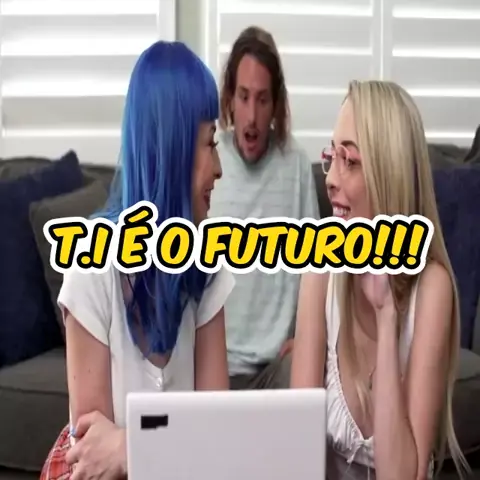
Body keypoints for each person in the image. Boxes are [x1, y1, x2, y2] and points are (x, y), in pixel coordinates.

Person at [40, 41, 234, 480]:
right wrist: (172, 447)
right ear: (173, 150)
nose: (219, 167)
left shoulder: (209, 264)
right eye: (210, 143)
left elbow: (220, 438)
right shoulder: (92, 265)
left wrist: (131, 447)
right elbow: (93, 462)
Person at [291, 80, 470, 479]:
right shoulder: (319, 270)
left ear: (389, 176)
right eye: (332, 156)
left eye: (351, 161)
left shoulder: (433, 288)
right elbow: (297, 453)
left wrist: (386, 313)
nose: (330, 179)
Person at [208, 25, 320, 390]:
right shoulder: (207, 160)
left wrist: (305, 337)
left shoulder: (296, 165)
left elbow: (317, 267)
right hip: (212, 364)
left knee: (312, 366)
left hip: (276, 367)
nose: (252, 117)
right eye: (243, 97)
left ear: (276, 105)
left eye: (262, 99)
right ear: (229, 99)